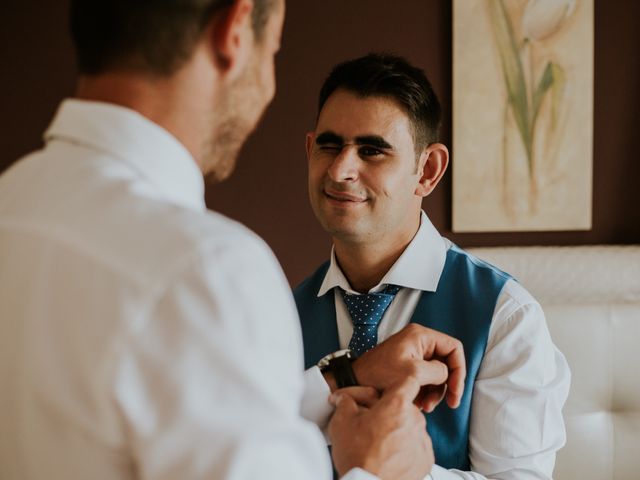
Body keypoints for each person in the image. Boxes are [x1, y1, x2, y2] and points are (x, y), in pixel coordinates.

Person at [0, 3, 463, 480]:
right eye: (274, 52)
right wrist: (373, 470)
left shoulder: (12, 204)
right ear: (234, 30)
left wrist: (346, 378)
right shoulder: (206, 269)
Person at [295, 53, 571, 480]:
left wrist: (401, 472)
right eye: (330, 146)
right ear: (311, 150)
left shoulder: (505, 315)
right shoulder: (277, 313)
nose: (340, 169)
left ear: (427, 171)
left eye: (372, 150)